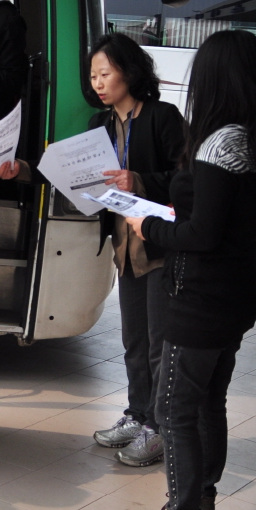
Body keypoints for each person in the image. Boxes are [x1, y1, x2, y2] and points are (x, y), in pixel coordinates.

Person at [117, 30, 256, 510]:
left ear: (214, 78)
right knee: (206, 401)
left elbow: (200, 234)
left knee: (172, 408)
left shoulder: (219, 143)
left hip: (200, 294)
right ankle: (196, 505)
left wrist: (148, 224)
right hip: (238, 290)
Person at [86, 34, 185, 468]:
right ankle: (138, 414)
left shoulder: (163, 118)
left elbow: (184, 179)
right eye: (93, 76)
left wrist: (137, 180)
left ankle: (159, 429)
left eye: (105, 73)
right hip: (124, 248)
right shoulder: (100, 127)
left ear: (129, 71)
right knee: (133, 341)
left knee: (159, 344)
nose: (98, 83)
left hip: (158, 246)